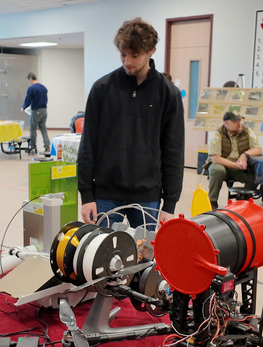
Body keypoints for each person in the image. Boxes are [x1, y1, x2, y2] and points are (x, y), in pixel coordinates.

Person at [77, 17, 184, 230]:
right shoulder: (101, 89)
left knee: (146, 259)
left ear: (151, 50)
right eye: (123, 54)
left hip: (148, 196)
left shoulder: (168, 94)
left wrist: (169, 203)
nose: (127, 61)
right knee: (103, 258)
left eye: (134, 56)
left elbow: (173, 150)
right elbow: (88, 145)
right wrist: (87, 194)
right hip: (105, 194)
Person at [205, 111, 262, 209]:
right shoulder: (218, 134)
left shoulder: (247, 131)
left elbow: (258, 149)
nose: (239, 123)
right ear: (226, 123)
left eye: (240, 120)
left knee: (258, 172)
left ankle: (244, 199)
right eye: (235, 121)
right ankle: (212, 201)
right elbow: (215, 159)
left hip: (240, 166)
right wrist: (235, 165)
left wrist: (245, 155)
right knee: (216, 169)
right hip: (224, 164)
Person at [22, 72, 49, 154]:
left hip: (36, 111)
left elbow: (28, 99)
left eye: (28, 80)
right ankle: (47, 146)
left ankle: (33, 147)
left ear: (30, 79)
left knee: (33, 129)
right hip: (44, 110)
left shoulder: (32, 88)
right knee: (43, 129)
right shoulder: (43, 87)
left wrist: (24, 107)